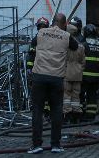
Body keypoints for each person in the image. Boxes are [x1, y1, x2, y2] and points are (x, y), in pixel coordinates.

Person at [26, 13, 78, 154]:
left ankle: (36, 145)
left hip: (39, 77)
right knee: (56, 111)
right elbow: (75, 46)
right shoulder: (66, 36)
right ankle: (55, 144)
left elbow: (33, 45)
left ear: (52, 22)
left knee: (37, 111)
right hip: (56, 79)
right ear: (64, 24)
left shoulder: (41, 32)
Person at [81, 24, 99, 120]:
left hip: (84, 76)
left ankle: (81, 114)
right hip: (96, 77)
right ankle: (91, 116)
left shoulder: (83, 45)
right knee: (92, 97)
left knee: (81, 95)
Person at [63, 24, 85, 124]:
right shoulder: (81, 46)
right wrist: (80, 70)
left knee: (66, 95)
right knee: (76, 96)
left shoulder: (65, 44)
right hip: (78, 74)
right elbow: (83, 62)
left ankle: (67, 114)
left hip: (67, 73)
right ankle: (77, 114)